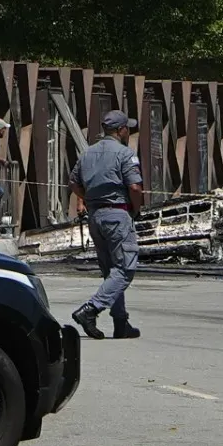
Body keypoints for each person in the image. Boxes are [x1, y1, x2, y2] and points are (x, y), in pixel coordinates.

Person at [69, 110, 144, 339]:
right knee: (125, 269)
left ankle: (120, 323)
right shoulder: (124, 153)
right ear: (121, 130)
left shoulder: (87, 154)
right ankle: (90, 310)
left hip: (96, 217)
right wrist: (136, 208)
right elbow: (135, 188)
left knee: (112, 270)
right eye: (127, 128)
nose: (128, 132)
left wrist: (90, 200)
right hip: (118, 214)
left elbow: (73, 183)